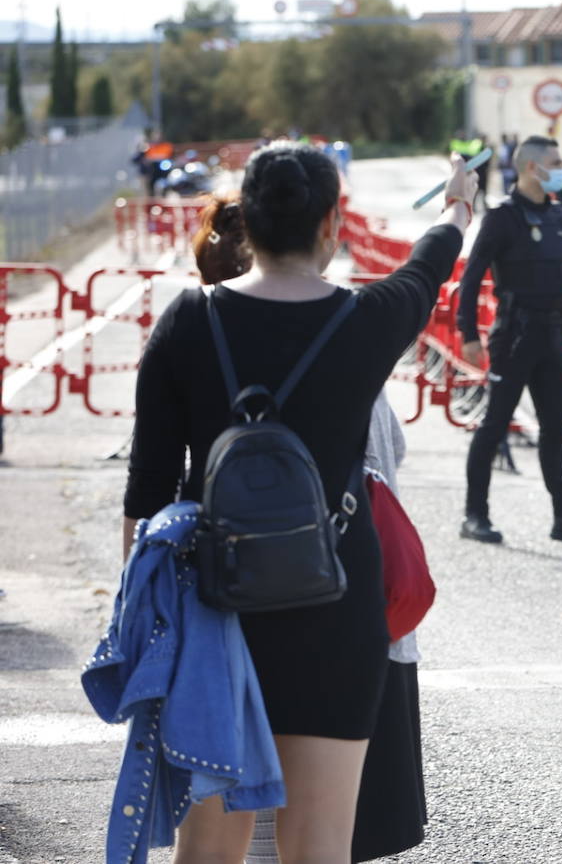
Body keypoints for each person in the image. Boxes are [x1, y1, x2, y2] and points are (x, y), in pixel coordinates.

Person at [122, 142, 476, 860]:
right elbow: (428, 265)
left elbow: (147, 498)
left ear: (244, 220)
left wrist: (140, 630)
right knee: (317, 849)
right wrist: (458, 206)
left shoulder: (188, 321)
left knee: (209, 853)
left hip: (210, 611)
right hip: (334, 606)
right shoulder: (368, 319)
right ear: (331, 223)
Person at [191, 199, 428, 863]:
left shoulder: (194, 337)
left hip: (221, 598)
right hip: (336, 598)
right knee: (319, 825)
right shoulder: (341, 339)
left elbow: (157, 483)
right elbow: (384, 457)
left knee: (229, 819)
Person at [456, 135, 562, 545]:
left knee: (554, 429)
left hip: (550, 334)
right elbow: (471, 278)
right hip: (514, 335)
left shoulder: (557, 214)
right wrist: (468, 332)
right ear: (532, 168)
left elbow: (554, 267)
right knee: (494, 427)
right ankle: (475, 514)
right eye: (556, 163)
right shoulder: (503, 217)